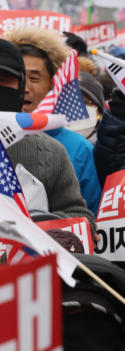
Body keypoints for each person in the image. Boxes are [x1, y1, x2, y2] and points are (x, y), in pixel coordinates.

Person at [0, 39, 96, 228]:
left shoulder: (50, 151)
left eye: (4, 80)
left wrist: (38, 223)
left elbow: (78, 214)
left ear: (20, 86)